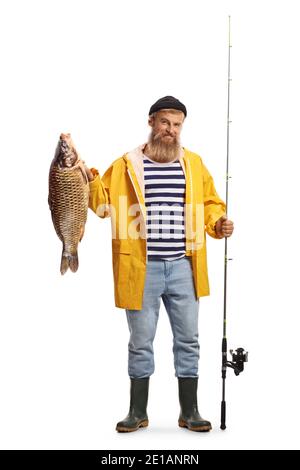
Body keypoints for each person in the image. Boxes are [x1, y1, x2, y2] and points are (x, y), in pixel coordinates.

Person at [84, 96, 234, 433]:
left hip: (184, 267)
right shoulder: (126, 165)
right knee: (140, 341)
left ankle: (190, 411)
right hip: (142, 268)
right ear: (151, 122)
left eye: (177, 125)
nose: (171, 130)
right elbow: (101, 202)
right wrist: (87, 176)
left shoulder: (193, 163)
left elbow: (211, 204)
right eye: (165, 122)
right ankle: (137, 411)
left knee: (189, 340)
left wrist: (219, 222)